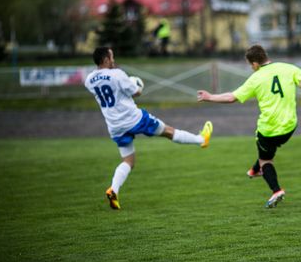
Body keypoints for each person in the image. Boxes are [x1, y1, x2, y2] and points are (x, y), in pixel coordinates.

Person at [197, 45, 301, 208]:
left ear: (255, 64)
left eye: (251, 65)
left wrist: (209, 97)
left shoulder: (255, 78)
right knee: (267, 149)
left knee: (265, 158)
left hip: (269, 129)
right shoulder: (290, 68)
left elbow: (231, 98)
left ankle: (276, 190)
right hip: (290, 126)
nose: (252, 68)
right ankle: (254, 170)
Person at [85, 47, 213, 210]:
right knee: (168, 131)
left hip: (115, 125)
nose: (113, 60)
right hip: (134, 119)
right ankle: (202, 140)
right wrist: (135, 84)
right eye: (111, 57)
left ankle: (114, 189)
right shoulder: (117, 74)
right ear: (105, 60)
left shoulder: (89, 79)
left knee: (128, 162)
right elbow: (136, 92)